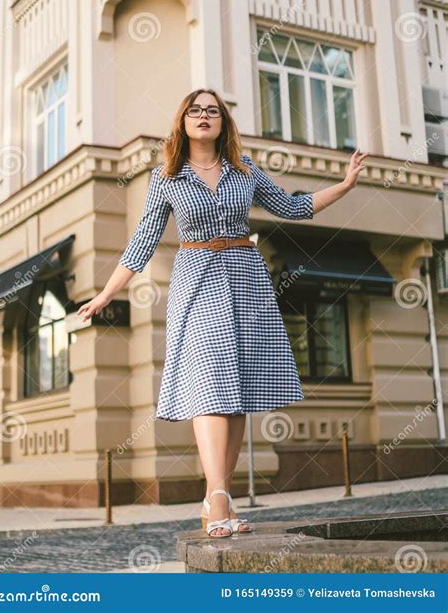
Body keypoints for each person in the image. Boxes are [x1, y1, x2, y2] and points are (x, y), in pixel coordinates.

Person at [77, 88, 368, 537]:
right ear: (183, 122)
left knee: (239, 393)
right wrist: (104, 295)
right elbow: (141, 245)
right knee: (211, 382)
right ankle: (216, 498)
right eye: (195, 109)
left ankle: (220, 497)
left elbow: (292, 206)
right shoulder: (167, 177)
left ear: (222, 123)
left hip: (247, 278)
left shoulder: (244, 169)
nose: (204, 116)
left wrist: (346, 185)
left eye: (212, 110)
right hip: (198, 280)